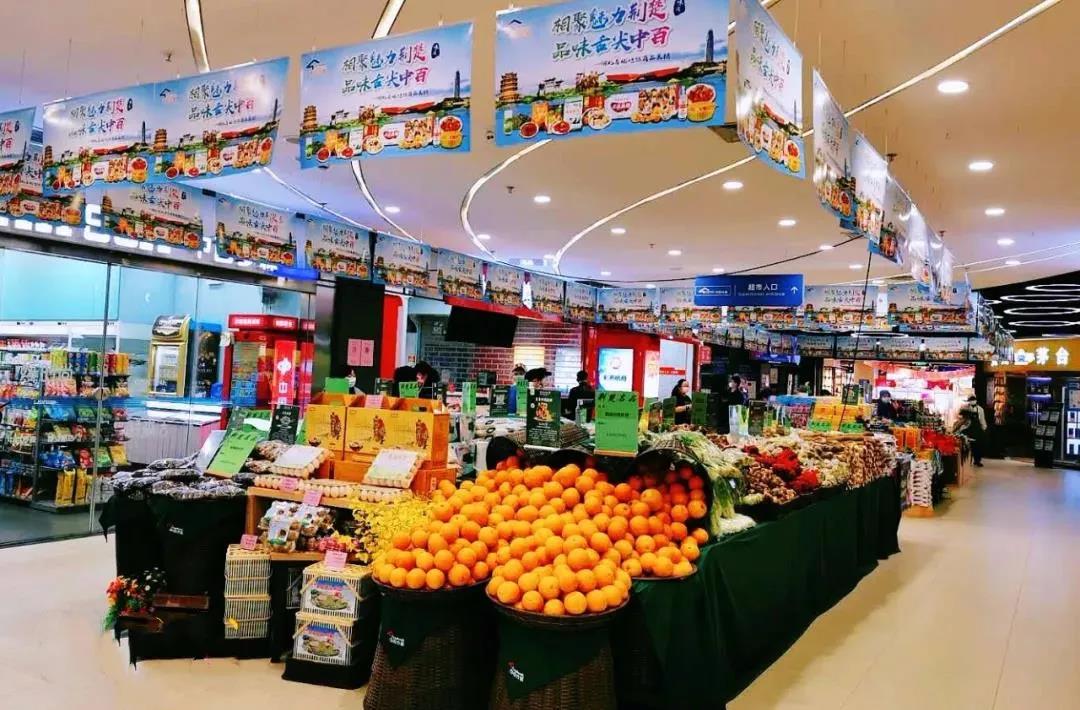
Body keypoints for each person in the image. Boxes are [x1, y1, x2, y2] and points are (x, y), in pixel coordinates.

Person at [961, 395, 986, 466]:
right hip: (968, 429)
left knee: (978, 446)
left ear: (975, 401)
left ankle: (977, 460)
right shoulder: (965, 408)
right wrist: (962, 427)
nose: (971, 402)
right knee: (968, 445)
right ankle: (965, 460)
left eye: (972, 400)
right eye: (970, 400)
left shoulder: (980, 409)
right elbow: (962, 419)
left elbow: (982, 419)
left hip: (977, 430)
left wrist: (984, 428)